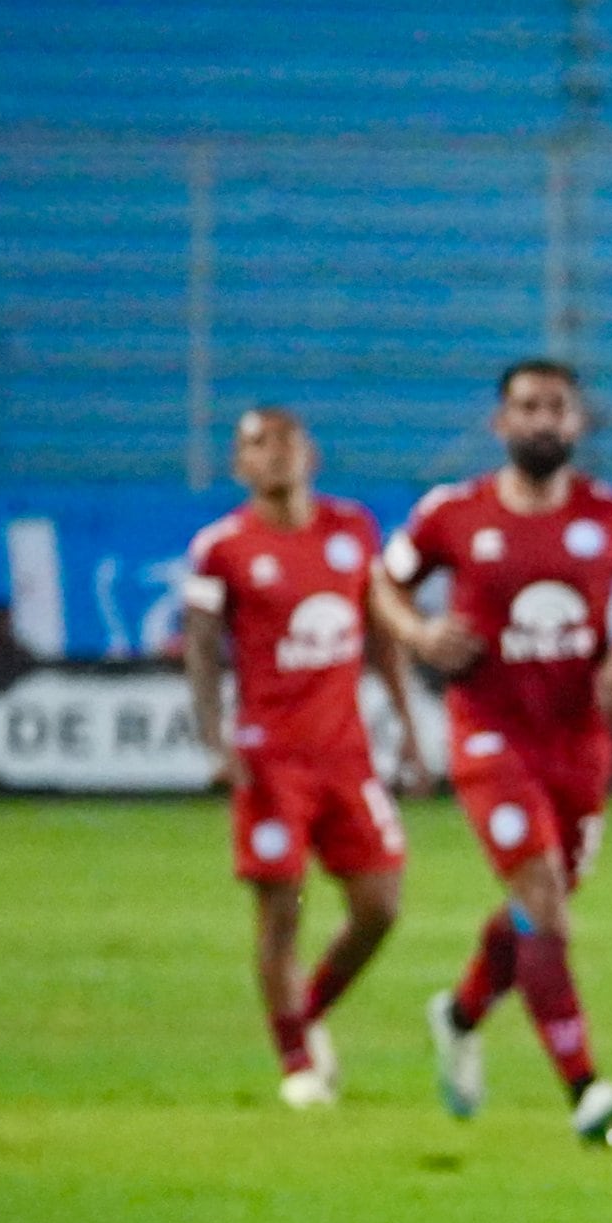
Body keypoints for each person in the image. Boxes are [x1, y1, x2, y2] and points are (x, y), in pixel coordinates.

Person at [384, 360, 612, 1147]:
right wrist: (418, 631)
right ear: (500, 423)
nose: (542, 420)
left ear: (578, 425)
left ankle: (458, 1015)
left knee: (540, 905)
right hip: (490, 735)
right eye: (527, 407)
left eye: (557, 408)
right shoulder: (452, 514)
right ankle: (585, 1088)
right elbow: (381, 586)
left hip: (578, 742)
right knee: (544, 896)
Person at [179, 407, 418, 1107]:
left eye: (285, 440)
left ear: (311, 453)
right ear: (239, 466)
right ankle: (296, 1066)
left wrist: (406, 723)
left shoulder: (353, 531)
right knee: (282, 914)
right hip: (270, 759)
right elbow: (199, 646)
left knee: (380, 906)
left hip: (346, 755)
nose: (274, 453)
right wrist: (214, 736)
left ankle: (304, 1015)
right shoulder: (221, 548)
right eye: (257, 444)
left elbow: (381, 632)